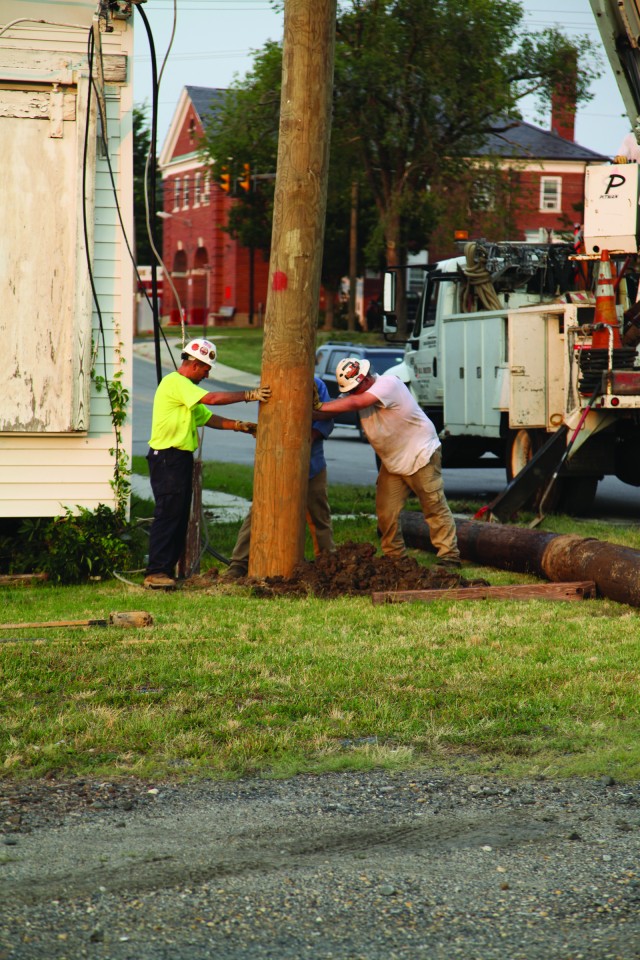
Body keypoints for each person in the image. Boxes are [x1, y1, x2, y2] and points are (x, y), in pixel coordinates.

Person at [144, 338, 271, 589]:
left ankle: (166, 572)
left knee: (179, 516)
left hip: (177, 459)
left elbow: (207, 417)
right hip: (167, 457)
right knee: (168, 514)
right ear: (194, 363)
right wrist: (249, 395)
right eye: (206, 368)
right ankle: (156, 571)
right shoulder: (176, 383)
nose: (207, 373)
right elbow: (212, 399)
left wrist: (239, 426)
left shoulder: (186, 392)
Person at [313, 357, 460, 566]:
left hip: (421, 453)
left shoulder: (389, 383)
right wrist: (308, 409)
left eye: (356, 387)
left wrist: (319, 405)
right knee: (385, 512)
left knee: (434, 507)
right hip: (393, 461)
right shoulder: (354, 394)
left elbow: (356, 402)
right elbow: (340, 406)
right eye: (351, 389)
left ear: (364, 378)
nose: (353, 392)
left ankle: (449, 556)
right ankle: (395, 558)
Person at [224, 376, 335, 579]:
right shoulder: (272, 382)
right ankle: (238, 565)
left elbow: (326, 420)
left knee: (319, 516)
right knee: (258, 512)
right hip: (275, 463)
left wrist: (301, 439)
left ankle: (328, 564)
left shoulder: (315, 384)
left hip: (311, 464)